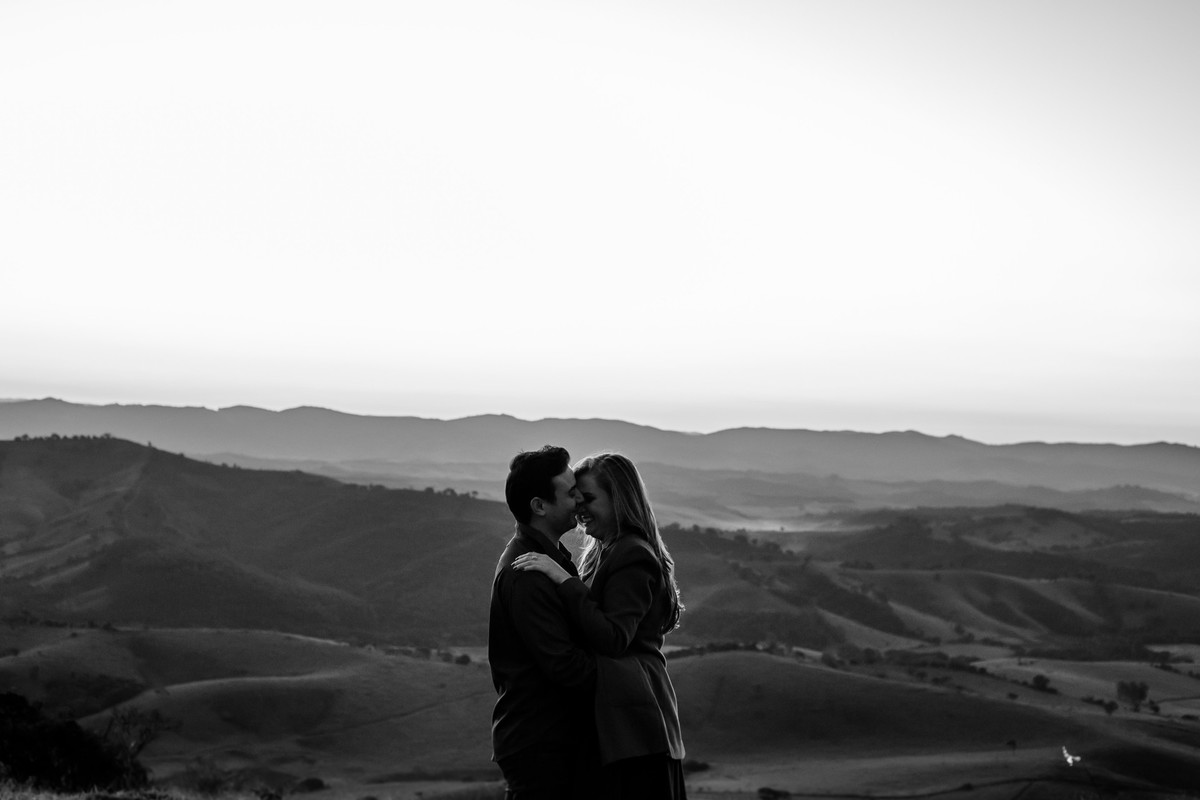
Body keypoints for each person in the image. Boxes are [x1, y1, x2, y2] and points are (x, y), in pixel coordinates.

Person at [513, 452, 687, 800]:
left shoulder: (632, 554)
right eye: (576, 495)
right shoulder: (606, 550)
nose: (579, 506)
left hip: (635, 728)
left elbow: (612, 638)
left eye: (588, 498)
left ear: (619, 499)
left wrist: (564, 581)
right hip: (621, 723)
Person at [489, 445, 599, 799]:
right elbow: (565, 666)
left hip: (547, 741)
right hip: (543, 746)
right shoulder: (528, 573)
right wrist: (630, 670)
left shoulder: (544, 559)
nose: (580, 498)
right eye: (569, 493)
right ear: (539, 506)